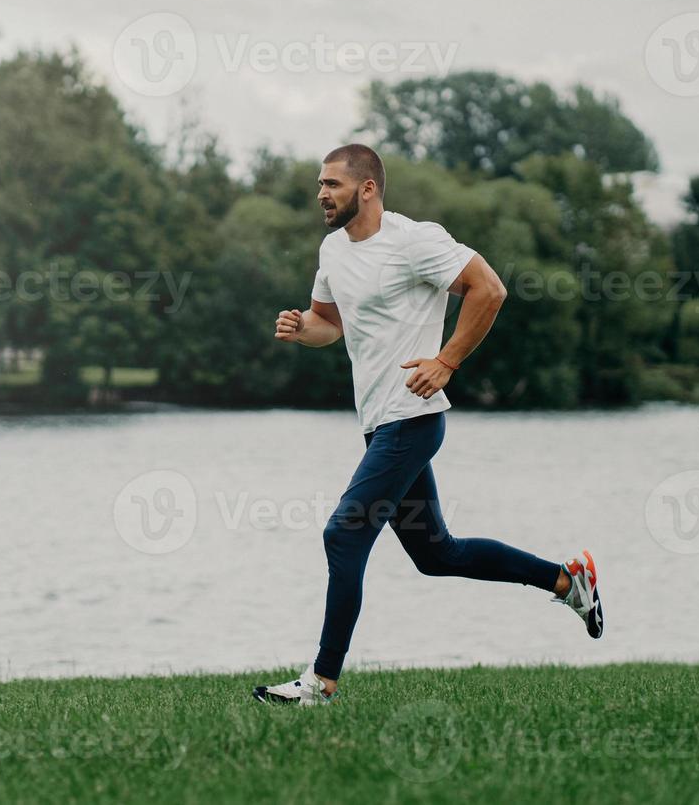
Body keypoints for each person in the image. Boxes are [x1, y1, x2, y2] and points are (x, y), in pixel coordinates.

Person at [252, 144, 603, 707]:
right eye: (320, 184)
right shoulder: (332, 250)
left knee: (343, 534)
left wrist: (446, 362)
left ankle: (320, 683)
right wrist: (301, 329)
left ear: (367, 189)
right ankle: (566, 581)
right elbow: (329, 325)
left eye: (333, 185)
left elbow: (489, 289)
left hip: (411, 420)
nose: (322, 193)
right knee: (439, 554)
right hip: (378, 424)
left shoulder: (414, 241)